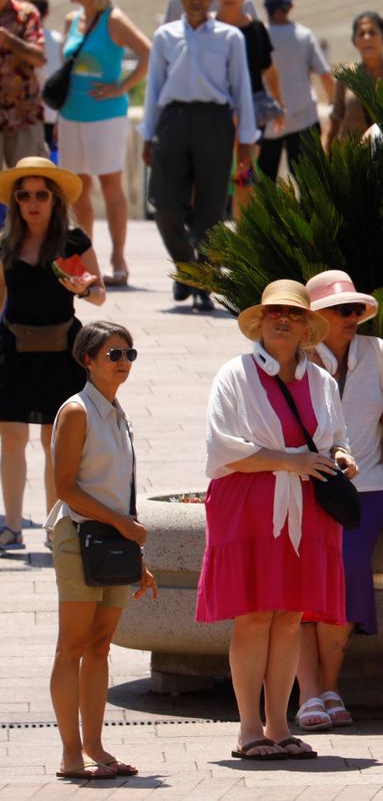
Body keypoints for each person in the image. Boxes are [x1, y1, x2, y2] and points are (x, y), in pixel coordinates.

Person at [199, 280, 356, 762]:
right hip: (248, 506)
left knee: (289, 618)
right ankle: (249, 730)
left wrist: (342, 457)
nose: (281, 320)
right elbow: (220, 448)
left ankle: (279, 726)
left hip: (309, 509)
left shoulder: (323, 381)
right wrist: (290, 461)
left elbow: (336, 438)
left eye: (291, 314)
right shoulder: (235, 374)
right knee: (252, 616)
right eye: (272, 313)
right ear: (260, 322)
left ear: (308, 325)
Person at [293, 271, 383, 732]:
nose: (351, 317)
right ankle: (311, 693)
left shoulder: (377, 352)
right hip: (304, 490)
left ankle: (328, 686)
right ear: (314, 318)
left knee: (344, 585)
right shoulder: (294, 359)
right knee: (306, 590)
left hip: (366, 491)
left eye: (355, 309)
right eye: (339, 310)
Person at [46, 321, 156, 781]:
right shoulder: (76, 411)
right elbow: (66, 488)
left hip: (112, 541)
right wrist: (123, 527)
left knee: (100, 646)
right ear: (87, 360)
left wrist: (138, 559)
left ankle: (95, 744)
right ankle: (71, 753)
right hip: (79, 537)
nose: (124, 362)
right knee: (71, 645)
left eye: (130, 354)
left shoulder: (117, 412)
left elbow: (120, 492)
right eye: (114, 355)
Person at [0, 158, 107, 550]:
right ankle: (11, 526)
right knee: (11, 438)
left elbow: (99, 295)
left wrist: (84, 289)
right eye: (24, 194)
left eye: (41, 194)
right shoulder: (5, 244)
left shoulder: (75, 242)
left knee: (53, 441)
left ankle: (52, 527)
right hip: (13, 348)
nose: (32, 202)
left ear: (54, 199)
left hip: (63, 349)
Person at [142, 0, 258, 313]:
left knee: (210, 206)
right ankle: (186, 268)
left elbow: (242, 91)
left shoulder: (230, 37)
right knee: (163, 204)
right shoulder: (165, 36)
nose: (194, 0)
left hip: (215, 122)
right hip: (173, 120)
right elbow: (153, 90)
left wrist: (246, 144)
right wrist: (148, 135)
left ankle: (204, 281)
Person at [54, 0, 151, 288]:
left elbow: (147, 52)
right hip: (70, 114)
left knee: (111, 185)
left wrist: (121, 87)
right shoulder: (71, 20)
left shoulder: (115, 20)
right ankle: (86, 258)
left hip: (105, 116)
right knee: (78, 188)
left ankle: (118, 258)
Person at [213, 0, 279, 218]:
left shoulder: (256, 30)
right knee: (214, 176)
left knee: (245, 175)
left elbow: (269, 70)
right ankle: (209, 241)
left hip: (253, 112)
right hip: (216, 113)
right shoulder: (207, 30)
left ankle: (242, 241)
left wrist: (280, 105)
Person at [260, 0, 334, 182]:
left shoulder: (259, 35)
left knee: (265, 183)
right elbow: (325, 75)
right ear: (290, 6)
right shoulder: (303, 35)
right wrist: (335, 108)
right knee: (309, 182)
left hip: (268, 121)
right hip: (304, 119)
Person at [0, 0, 48, 167]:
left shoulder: (27, 15)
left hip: (23, 115)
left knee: (28, 183)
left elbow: (39, 57)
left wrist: (10, 41)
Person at [328, 11, 383, 147]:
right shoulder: (346, 76)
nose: (367, 38)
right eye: (361, 34)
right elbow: (335, 118)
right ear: (354, 41)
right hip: (352, 159)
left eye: (372, 32)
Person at [33, 0, 61, 156]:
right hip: (54, 113)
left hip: (32, 116)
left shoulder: (21, 41)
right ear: (47, 13)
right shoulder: (58, 40)